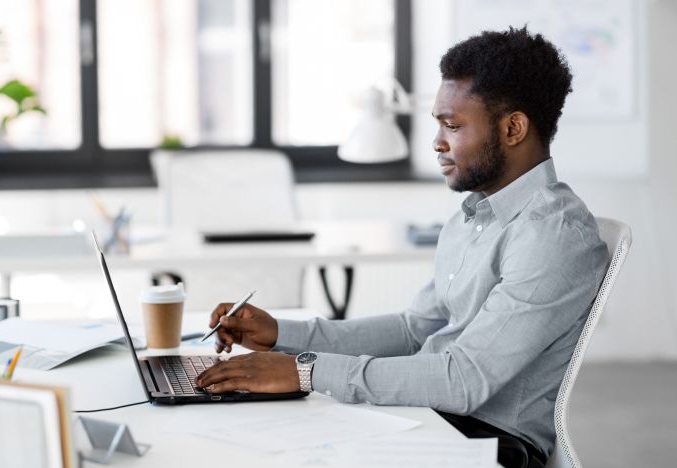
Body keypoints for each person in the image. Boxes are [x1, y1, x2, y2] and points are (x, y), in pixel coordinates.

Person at [196, 27, 608, 468]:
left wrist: (305, 370)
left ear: (513, 128)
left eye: (452, 126)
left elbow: (465, 380)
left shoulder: (554, 235)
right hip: (428, 415)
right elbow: (415, 331)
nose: (437, 142)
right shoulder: (472, 216)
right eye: (438, 124)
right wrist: (286, 336)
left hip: (488, 441)